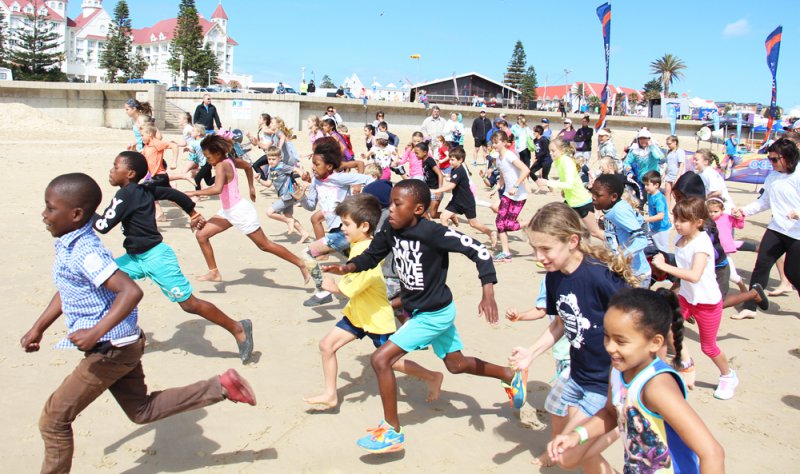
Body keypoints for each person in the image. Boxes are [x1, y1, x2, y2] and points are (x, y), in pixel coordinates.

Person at [25, 173, 256, 474]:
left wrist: (96, 331)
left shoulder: (85, 250)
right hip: (125, 342)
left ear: (76, 214)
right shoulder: (71, 243)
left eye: (50, 208)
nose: (44, 214)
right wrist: (39, 326)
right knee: (141, 410)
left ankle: (236, 329)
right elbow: (68, 286)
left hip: (110, 349)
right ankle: (221, 386)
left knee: (54, 420)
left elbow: (131, 291)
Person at [323, 179, 527, 453]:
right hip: (423, 309)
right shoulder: (391, 231)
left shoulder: (434, 233)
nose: (391, 210)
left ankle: (392, 431)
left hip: (434, 314)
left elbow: (478, 251)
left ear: (418, 209)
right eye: (390, 203)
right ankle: (509, 375)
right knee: (456, 365)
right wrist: (348, 267)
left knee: (381, 359)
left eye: (398, 204)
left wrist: (487, 290)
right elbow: (372, 256)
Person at [509, 202, 637, 470]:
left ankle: (618, 424)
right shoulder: (554, 277)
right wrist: (531, 353)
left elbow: (639, 324)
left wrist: (636, 383)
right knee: (560, 421)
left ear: (572, 241)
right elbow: (560, 324)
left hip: (606, 383)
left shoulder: (600, 276)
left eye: (545, 249)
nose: (539, 256)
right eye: (535, 249)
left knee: (570, 453)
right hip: (578, 373)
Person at [94, 151, 254, 362]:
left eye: (116, 167)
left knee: (189, 304)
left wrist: (84, 211)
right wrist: (193, 212)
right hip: (134, 258)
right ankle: (116, 336)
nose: (111, 171)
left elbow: (103, 225)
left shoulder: (126, 194)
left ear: (130, 173)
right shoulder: (144, 188)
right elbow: (174, 194)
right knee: (101, 281)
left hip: (156, 258)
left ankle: (238, 328)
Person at [547, 288, 725, 473]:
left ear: (655, 342)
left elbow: (712, 452)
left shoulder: (657, 387)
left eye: (621, 341)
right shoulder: (617, 370)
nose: (609, 347)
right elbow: (610, 413)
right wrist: (577, 436)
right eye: (607, 336)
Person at [304, 194, 443, 408]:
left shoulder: (368, 251)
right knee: (327, 345)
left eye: (347, 224)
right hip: (358, 313)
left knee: (392, 361)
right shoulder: (357, 245)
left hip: (377, 318)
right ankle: (330, 395)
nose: (342, 228)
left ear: (365, 226)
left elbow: (355, 286)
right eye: (342, 223)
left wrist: (333, 286)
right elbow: (354, 277)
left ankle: (432, 376)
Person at [185, 135, 310, 284]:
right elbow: (247, 166)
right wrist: (251, 187)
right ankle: (214, 272)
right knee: (202, 235)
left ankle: (300, 263)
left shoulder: (221, 165)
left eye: (208, 157)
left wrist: (193, 192)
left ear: (218, 153)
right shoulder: (229, 160)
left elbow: (217, 188)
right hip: (228, 211)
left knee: (264, 245)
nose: (207, 160)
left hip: (239, 211)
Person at [651, 197, 739, 399]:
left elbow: (694, 274)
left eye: (683, 220)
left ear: (698, 222)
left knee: (709, 347)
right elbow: (682, 272)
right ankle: (687, 364)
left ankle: (728, 375)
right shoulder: (679, 240)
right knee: (668, 326)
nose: (677, 224)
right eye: (676, 218)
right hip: (686, 298)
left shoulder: (702, 243)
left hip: (707, 302)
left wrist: (664, 266)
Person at [295, 137, 375, 307]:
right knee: (360, 265)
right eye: (313, 164)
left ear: (329, 166)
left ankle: (322, 290)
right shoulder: (316, 181)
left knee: (307, 253)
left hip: (345, 231)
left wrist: (359, 199)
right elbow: (311, 206)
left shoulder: (339, 178)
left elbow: (369, 180)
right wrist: (301, 198)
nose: (313, 167)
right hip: (335, 231)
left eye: (317, 164)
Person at [733, 138, 800, 320]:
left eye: (775, 159)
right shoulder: (772, 177)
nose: (771, 163)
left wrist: (798, 212)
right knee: (761, 265)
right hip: (777, 229)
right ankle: (750, 307)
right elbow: (764, 202)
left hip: (797, 233)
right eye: (769, 159)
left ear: (788, 158)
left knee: (794, 272)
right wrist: (743, 211)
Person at [536, 137, 605, 240]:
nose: (551, 153)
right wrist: (564, 190)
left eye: (553, 151)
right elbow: (568, 180)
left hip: (582, 202)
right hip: (571, 202)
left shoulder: (566, 161)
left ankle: (619, 247)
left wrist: (547, 182)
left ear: (562, 150)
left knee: (595, 232)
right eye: (550, 151)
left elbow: (569, 184)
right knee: (559, 225)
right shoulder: (560, 161)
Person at [591, 174, 652, 286]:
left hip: (636, 275)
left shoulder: (620, 211)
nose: (593, 197)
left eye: (598, 195)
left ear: (613, 197)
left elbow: (641, 239)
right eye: (592, 193)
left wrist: (621, 257)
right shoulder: (611, 208)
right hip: (624, 272)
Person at [433, 147, 497, 246]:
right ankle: (446, 240)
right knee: (443, 217)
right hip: (456, 201)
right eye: (449, 159)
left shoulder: (460, 170)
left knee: (473, 224)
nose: (450, 161)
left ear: (461, 160)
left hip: (467, 201)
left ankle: (491, 233)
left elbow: (452, 186)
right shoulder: (454, 169)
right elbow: (453, 185)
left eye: (452, 160)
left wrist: (437, 190)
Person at [489, 131, 529, 262]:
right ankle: (506, 253)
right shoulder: (498, 158)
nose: (494, 145)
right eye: (493, 142)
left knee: (509, 225)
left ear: (505, 142)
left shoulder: (510, 155)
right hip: (507, 194)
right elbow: (503, 176)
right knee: (500, 223)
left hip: (519, 196)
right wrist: (496, 189)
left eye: (497, 142)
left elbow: (525, 170)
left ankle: (530, 222)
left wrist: (516, 186)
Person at [706, 198, 757, 294]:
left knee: (732, 275)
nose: (712, 214)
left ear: (722, 210)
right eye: (710, 211)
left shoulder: (727, 218)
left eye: (715, 211)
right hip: (709, 252)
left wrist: (739, 216)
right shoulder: (705, 220)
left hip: (723, 252)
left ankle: (742, 286)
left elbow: (740, 225)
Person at [262, 146, 309, 242]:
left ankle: (289, 221)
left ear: (280, 158)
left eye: (273, 159)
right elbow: (268, 184)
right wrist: (259, 180)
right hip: (286, 196)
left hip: (289, 195)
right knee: (288, 215)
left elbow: (296, 169)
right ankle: (304, 233)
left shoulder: (282, 166)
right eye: (269, 159)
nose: (271, 161)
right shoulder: (272, 169)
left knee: (270, 212)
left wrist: (302, 175)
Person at [642, 171, 672, 252]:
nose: (645, 187)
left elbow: (660, 216)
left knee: (662, 251)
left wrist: (646, 219)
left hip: (661, 229)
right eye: (645, 184)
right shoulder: (650, 194)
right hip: (653, 227)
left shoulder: (659, 199)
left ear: (656, 185)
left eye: (647, 185)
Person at [664, 135, 686, 213]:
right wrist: (664, 173)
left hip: (676, 175)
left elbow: (681, 165)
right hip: (669, 175)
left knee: (676, 194)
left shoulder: (679, 151)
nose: (668, 145)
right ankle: (667, 209)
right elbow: (668, 164)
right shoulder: (669, 152)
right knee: (667, 192)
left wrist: (678, 176)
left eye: (669, 143)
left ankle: (678, 209)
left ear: (675, 142)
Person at [529, 125, 552, 192]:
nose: (533, 133)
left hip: (546, 160)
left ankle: (551, 189)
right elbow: (536, 150)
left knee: (545, 177)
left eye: (535, 132)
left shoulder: (544, 139)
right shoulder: (535, 140)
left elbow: (545, 151)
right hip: (540, 160)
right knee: (530, 172)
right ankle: (539, 184)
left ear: (538, 132)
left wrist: (537, 156)